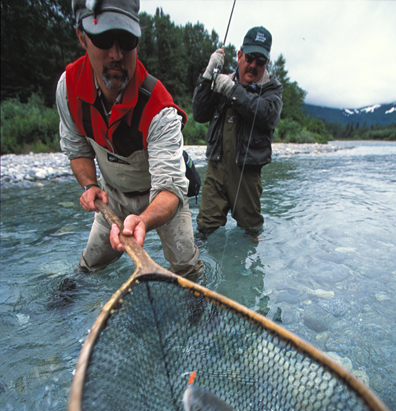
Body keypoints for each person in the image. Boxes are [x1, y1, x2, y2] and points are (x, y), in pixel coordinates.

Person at [56, 0, 202, 278]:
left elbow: (171, 190)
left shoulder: (160, 109)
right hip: (113, 198)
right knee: (90, 266)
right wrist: (89, 184)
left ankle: (198, 309)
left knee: (188, 269)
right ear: (82, 37)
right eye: (103, 38)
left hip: (162, 199)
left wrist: (144, 219)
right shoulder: (67, 89)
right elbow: (77, 149)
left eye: (125, 39)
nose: (116, 54)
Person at [193, 26, 283, 235]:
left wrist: (233, 91)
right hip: (215, 170)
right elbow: (199, 113)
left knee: (250, 231)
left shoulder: (272, 89)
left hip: (247, 173)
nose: (253, 65)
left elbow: (267, 114)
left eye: (260, 61)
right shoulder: (222, 81)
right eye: (250, 57)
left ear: (266, 63)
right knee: (205, 231)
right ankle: (202, 267)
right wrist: (207, 77)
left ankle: (248, 267)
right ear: (240, 55)